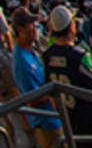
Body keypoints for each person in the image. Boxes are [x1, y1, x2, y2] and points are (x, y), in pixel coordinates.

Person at [43, 5, 92, 137]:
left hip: (67, 118)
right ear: (71, 27)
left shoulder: (47, 55)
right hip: (87, 120)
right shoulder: (79, 56)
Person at [10, 8, 61, 147]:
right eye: (30, 24)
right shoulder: (21, 61)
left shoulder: (30, 51)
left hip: (52, 119)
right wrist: (55, 93)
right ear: (20, 29)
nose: (35, 28)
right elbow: (31, 99)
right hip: (46, 123)